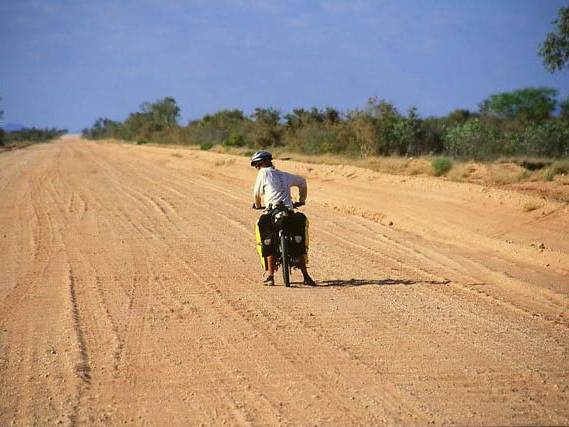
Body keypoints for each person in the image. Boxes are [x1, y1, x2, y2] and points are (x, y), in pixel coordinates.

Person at [251, 150, 316, 286]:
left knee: (267, 237)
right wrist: (301, 200)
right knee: (299, 238)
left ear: (261, 163)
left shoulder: (263, 172)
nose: (257, 168)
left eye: (256, 165)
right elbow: (302, 182)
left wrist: (257, 205)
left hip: (272, 211)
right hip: (289, 211)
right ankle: (306, 275)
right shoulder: (284, 175)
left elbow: (256, 193)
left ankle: (270, 275)